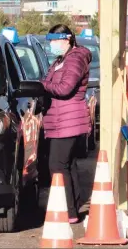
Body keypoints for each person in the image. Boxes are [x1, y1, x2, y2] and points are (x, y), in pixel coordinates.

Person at [41, 24, 92, 224]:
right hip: (61, 119)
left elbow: (64, 88)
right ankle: (73, 208)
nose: (52, 44)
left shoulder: (75, 59)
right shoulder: (62, 60)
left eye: (55, 40)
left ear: (67, 39)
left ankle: (68, 211)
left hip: (68, 120)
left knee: (57, 164)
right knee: (67, 165)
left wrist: (41, 85)